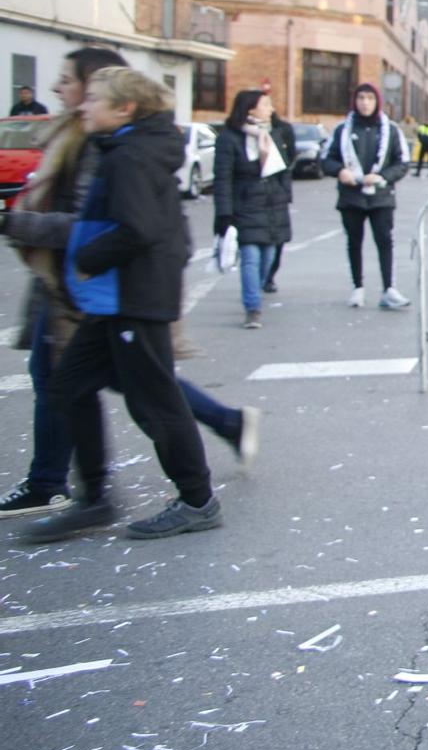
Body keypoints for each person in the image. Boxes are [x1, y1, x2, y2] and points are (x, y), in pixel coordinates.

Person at [0, 48, 258, 519]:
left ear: (125, 108)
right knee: (68, 385)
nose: (81, 105)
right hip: (115, 298)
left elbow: (138, 229)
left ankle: (196, 499)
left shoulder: (128, 157)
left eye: (92, 97)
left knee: (152, 402)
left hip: (131, 295)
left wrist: (86, 258)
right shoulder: (121, 148)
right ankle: (94, 496)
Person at [324, 83, 411, 309]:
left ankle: (389, 288)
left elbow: (402, 163)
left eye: (370, 98)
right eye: (361, 98)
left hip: (381, 196)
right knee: (354, 242)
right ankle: (357, 287)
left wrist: (382, 176)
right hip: (351, 196)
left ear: (377, 102)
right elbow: (326, 159)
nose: (365, 103)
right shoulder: (343, 129)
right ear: (355, 101)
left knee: (384, 241)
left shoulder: (390, 130)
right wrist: (339, 171)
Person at [213, 89, 292, 329]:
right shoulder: (230, 138)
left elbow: (285, 168)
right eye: (265, 104)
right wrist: (224, 213)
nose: (270, 109)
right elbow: (223, 178)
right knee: (250, 257)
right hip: (245, 205)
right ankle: (253, 308)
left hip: (273, 206)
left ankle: (254, 292)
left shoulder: (274, 133)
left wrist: (284, 194)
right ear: (249, 109)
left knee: (268, 257)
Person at [263, 105, 298, 294]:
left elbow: (291, 156)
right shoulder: (238, 131)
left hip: (277, 190)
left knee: (277, 238)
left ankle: (269, 276)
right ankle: (257, 280)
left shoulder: (282, 129)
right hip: (251, 195)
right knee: (252, 245)